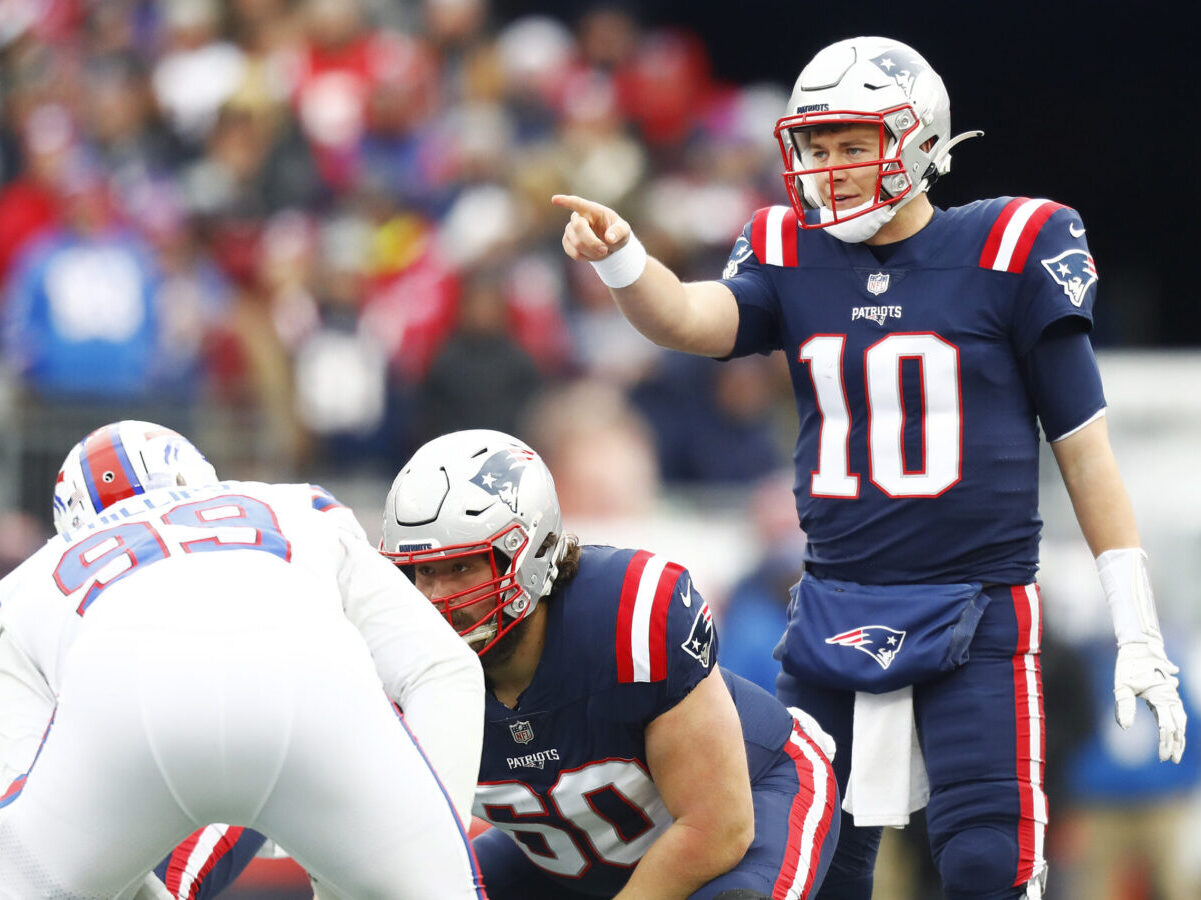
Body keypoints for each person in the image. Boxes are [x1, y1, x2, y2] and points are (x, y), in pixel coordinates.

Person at [551, 35, 1188, 900]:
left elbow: (1083, 449)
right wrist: (625, 261)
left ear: (921, 141)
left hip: (977, 601)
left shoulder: (1013, 246)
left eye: (854, 144)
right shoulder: (788, 249)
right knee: (810, 861)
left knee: (984, 861)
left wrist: (1136, 626)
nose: (831, 167)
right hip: (833, 602)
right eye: (816, 146)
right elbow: (694, 321)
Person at [0, 420, 487, 899]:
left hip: (128, 722)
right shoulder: (297, 504)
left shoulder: (25, 585)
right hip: (311, 695)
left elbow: (21, 788)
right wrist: (420, 850)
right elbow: (443, 667)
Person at [380, 428, 840, 900]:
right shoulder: (394, 671)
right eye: (422, 571)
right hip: (571, 844)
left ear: (530, 553)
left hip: (746, 803)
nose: (435, 598)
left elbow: (717, 827)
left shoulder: (629, 617)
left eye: (462, 567)